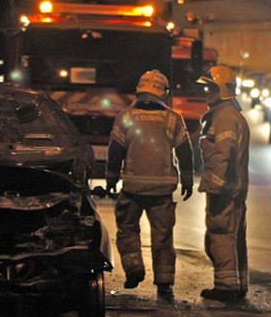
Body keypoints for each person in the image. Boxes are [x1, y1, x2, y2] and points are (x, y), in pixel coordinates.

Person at [106, 70, 194, 299]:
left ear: (139, 91)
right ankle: (164, 282)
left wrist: (111, 178)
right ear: (163, 94)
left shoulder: (126, 116)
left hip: (133, 188)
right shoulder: (173, 118)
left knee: (127, 230)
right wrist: (187, 178)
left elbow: (116, 151)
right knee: (162, 237)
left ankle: (134, 266)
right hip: (162, 190)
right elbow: (185, 151)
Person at [196, 65, 250, 302]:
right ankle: (238, 284)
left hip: (224, 189)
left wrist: (216, 185)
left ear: (224, 89)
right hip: (231, 188)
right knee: (233, 236)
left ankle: (226, 288)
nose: (207, 91)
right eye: (206, 87)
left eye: (212, 87)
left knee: (221, 235)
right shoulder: (225, 114)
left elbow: (224, 154)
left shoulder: (225, 118)